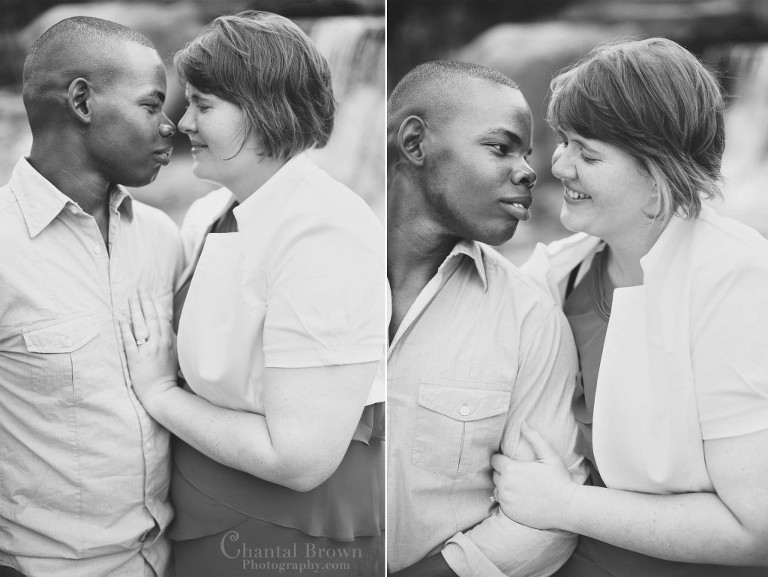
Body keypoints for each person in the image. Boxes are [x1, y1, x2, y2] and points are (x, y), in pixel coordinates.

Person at [118, 11, 386, 577]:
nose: (182, 122)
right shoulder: (211, 211)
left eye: (204, 105)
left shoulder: (325, 233)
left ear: (266, 109)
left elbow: (299, 459)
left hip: (288, 542)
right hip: (201, 522)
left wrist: (159, 394)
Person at [491, 38, 768, 576]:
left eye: (589, 154)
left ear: (660, 174)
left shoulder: (737, 282)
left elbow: (753, 531)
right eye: (564, 141)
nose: (559, 165)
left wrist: (565, 505)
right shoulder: (556, 274)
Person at [386, 60, 586, 577]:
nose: (528, 172)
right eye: (501, 147)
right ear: (415, 143)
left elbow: (542, 525)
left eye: (527, 153)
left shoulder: (531, 319)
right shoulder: (308, 271)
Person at [0, 16, 181, 577]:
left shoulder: (163, 238)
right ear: (82, 101)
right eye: (151, 105)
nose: (171, 125)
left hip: (167, 560)